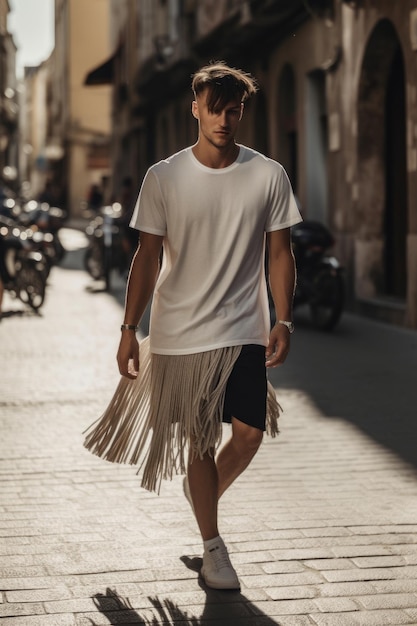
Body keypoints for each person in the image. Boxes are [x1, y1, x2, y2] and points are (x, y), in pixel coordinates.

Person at [84, 61, 302, 591]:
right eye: (215, 109)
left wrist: (284, 318)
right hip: (182, 333)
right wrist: (128, 329)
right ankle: (213, 547)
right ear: (196, 109)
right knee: (199, 443)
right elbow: (147, 257)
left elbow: (280, 252)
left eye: (235, 110)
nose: (225, 119)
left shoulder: (268, 174)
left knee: (249, 435)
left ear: (242, 112)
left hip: (244, 327)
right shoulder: (164, 176)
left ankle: (201, 495)